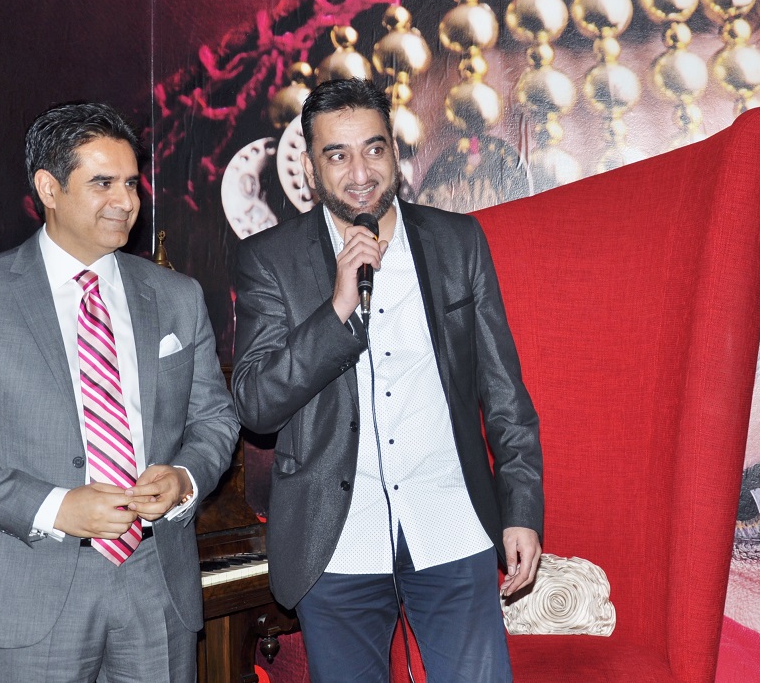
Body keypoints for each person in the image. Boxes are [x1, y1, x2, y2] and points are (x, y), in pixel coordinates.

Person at [231, 77, 543, 683]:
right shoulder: (270, 259)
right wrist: (337, 310)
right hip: (336, 541)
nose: (360, 173)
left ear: (395, 152)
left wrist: (522, 510)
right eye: (337, 155)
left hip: (450, 525)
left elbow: (505, 394)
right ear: (311, 168)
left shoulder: (457, 242)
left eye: (374, 149)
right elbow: (257, 405)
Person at [0, 103, 240, 683]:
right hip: (27, 586)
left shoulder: (178, 295)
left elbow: (215, 418)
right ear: (48, 188)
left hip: (155, 581)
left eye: (131, 183)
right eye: (102, 183)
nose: (126, 201)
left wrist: (184, 478)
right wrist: (56, 507)